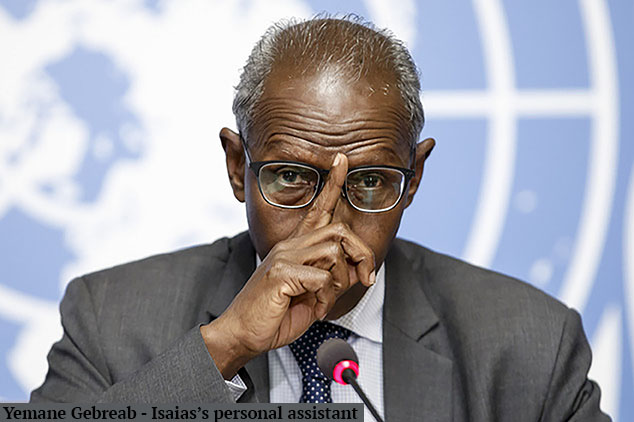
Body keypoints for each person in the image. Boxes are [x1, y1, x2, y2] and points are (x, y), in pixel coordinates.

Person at [31, 16, 610, 421]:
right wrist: (223, 347)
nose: (327, 227)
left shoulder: (530, 345)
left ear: (415, 180)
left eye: (370, 182)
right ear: (238, 168)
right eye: (290, 178)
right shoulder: (110, 318)